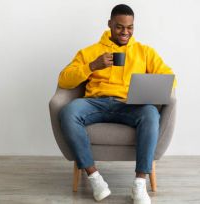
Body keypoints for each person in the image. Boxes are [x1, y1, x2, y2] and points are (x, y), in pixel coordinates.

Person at [58, 4, 176, 204]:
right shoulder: (90, 51)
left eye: (130, 27)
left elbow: (170, 79)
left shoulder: (144, 52)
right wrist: (92, 66)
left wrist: (146, 89)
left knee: (150, 114)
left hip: (128, 105)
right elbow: (64, 80)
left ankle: (139, 184)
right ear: (110, 24)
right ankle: (95, 177)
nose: (125, 32)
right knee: (68, 112)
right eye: (120, 27)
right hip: (95, 103)